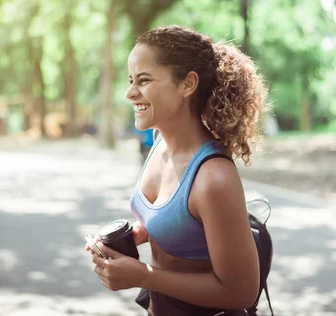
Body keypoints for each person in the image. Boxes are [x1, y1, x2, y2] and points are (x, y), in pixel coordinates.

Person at [88, 25, 268, 315]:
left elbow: (241, 292)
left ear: (187, 84)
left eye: (143, 80)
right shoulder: (159, 146)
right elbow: (181, 223)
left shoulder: (214, 178)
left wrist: (143, 275)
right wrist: (135, 235)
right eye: (131, 80)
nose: (130, 93)